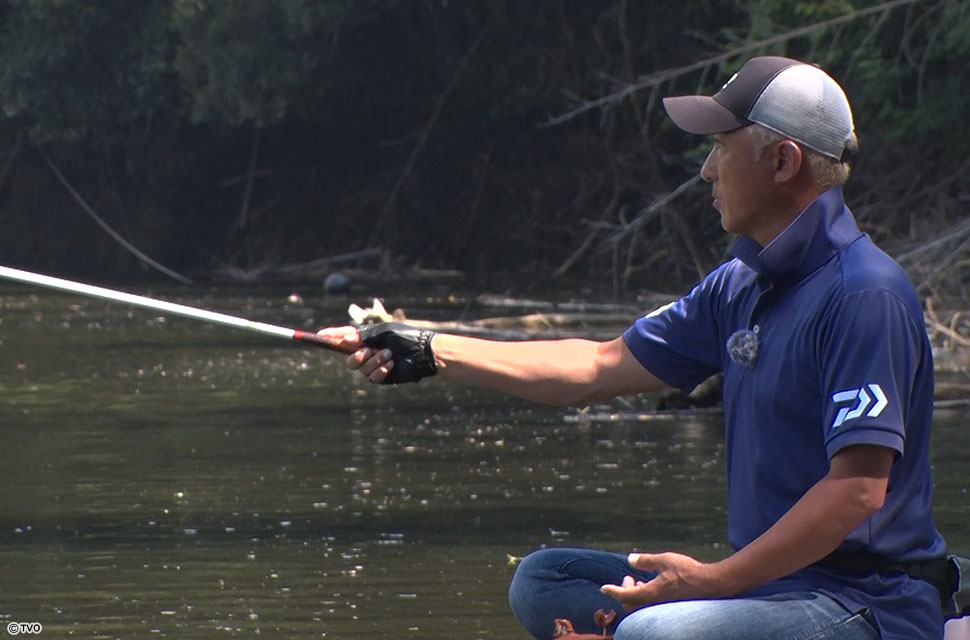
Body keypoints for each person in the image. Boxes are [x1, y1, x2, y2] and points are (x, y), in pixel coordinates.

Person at [317, 56, 949, 640]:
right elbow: (596, 366)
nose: (706, 170)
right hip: (765, 589)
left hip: (862, 606)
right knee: (545, 579)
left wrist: (715, 582)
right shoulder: (740, 285)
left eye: (720, 148)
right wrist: (432, 350)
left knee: (652, 632)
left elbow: (857, 494)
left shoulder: (864, 295)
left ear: (782, 163)